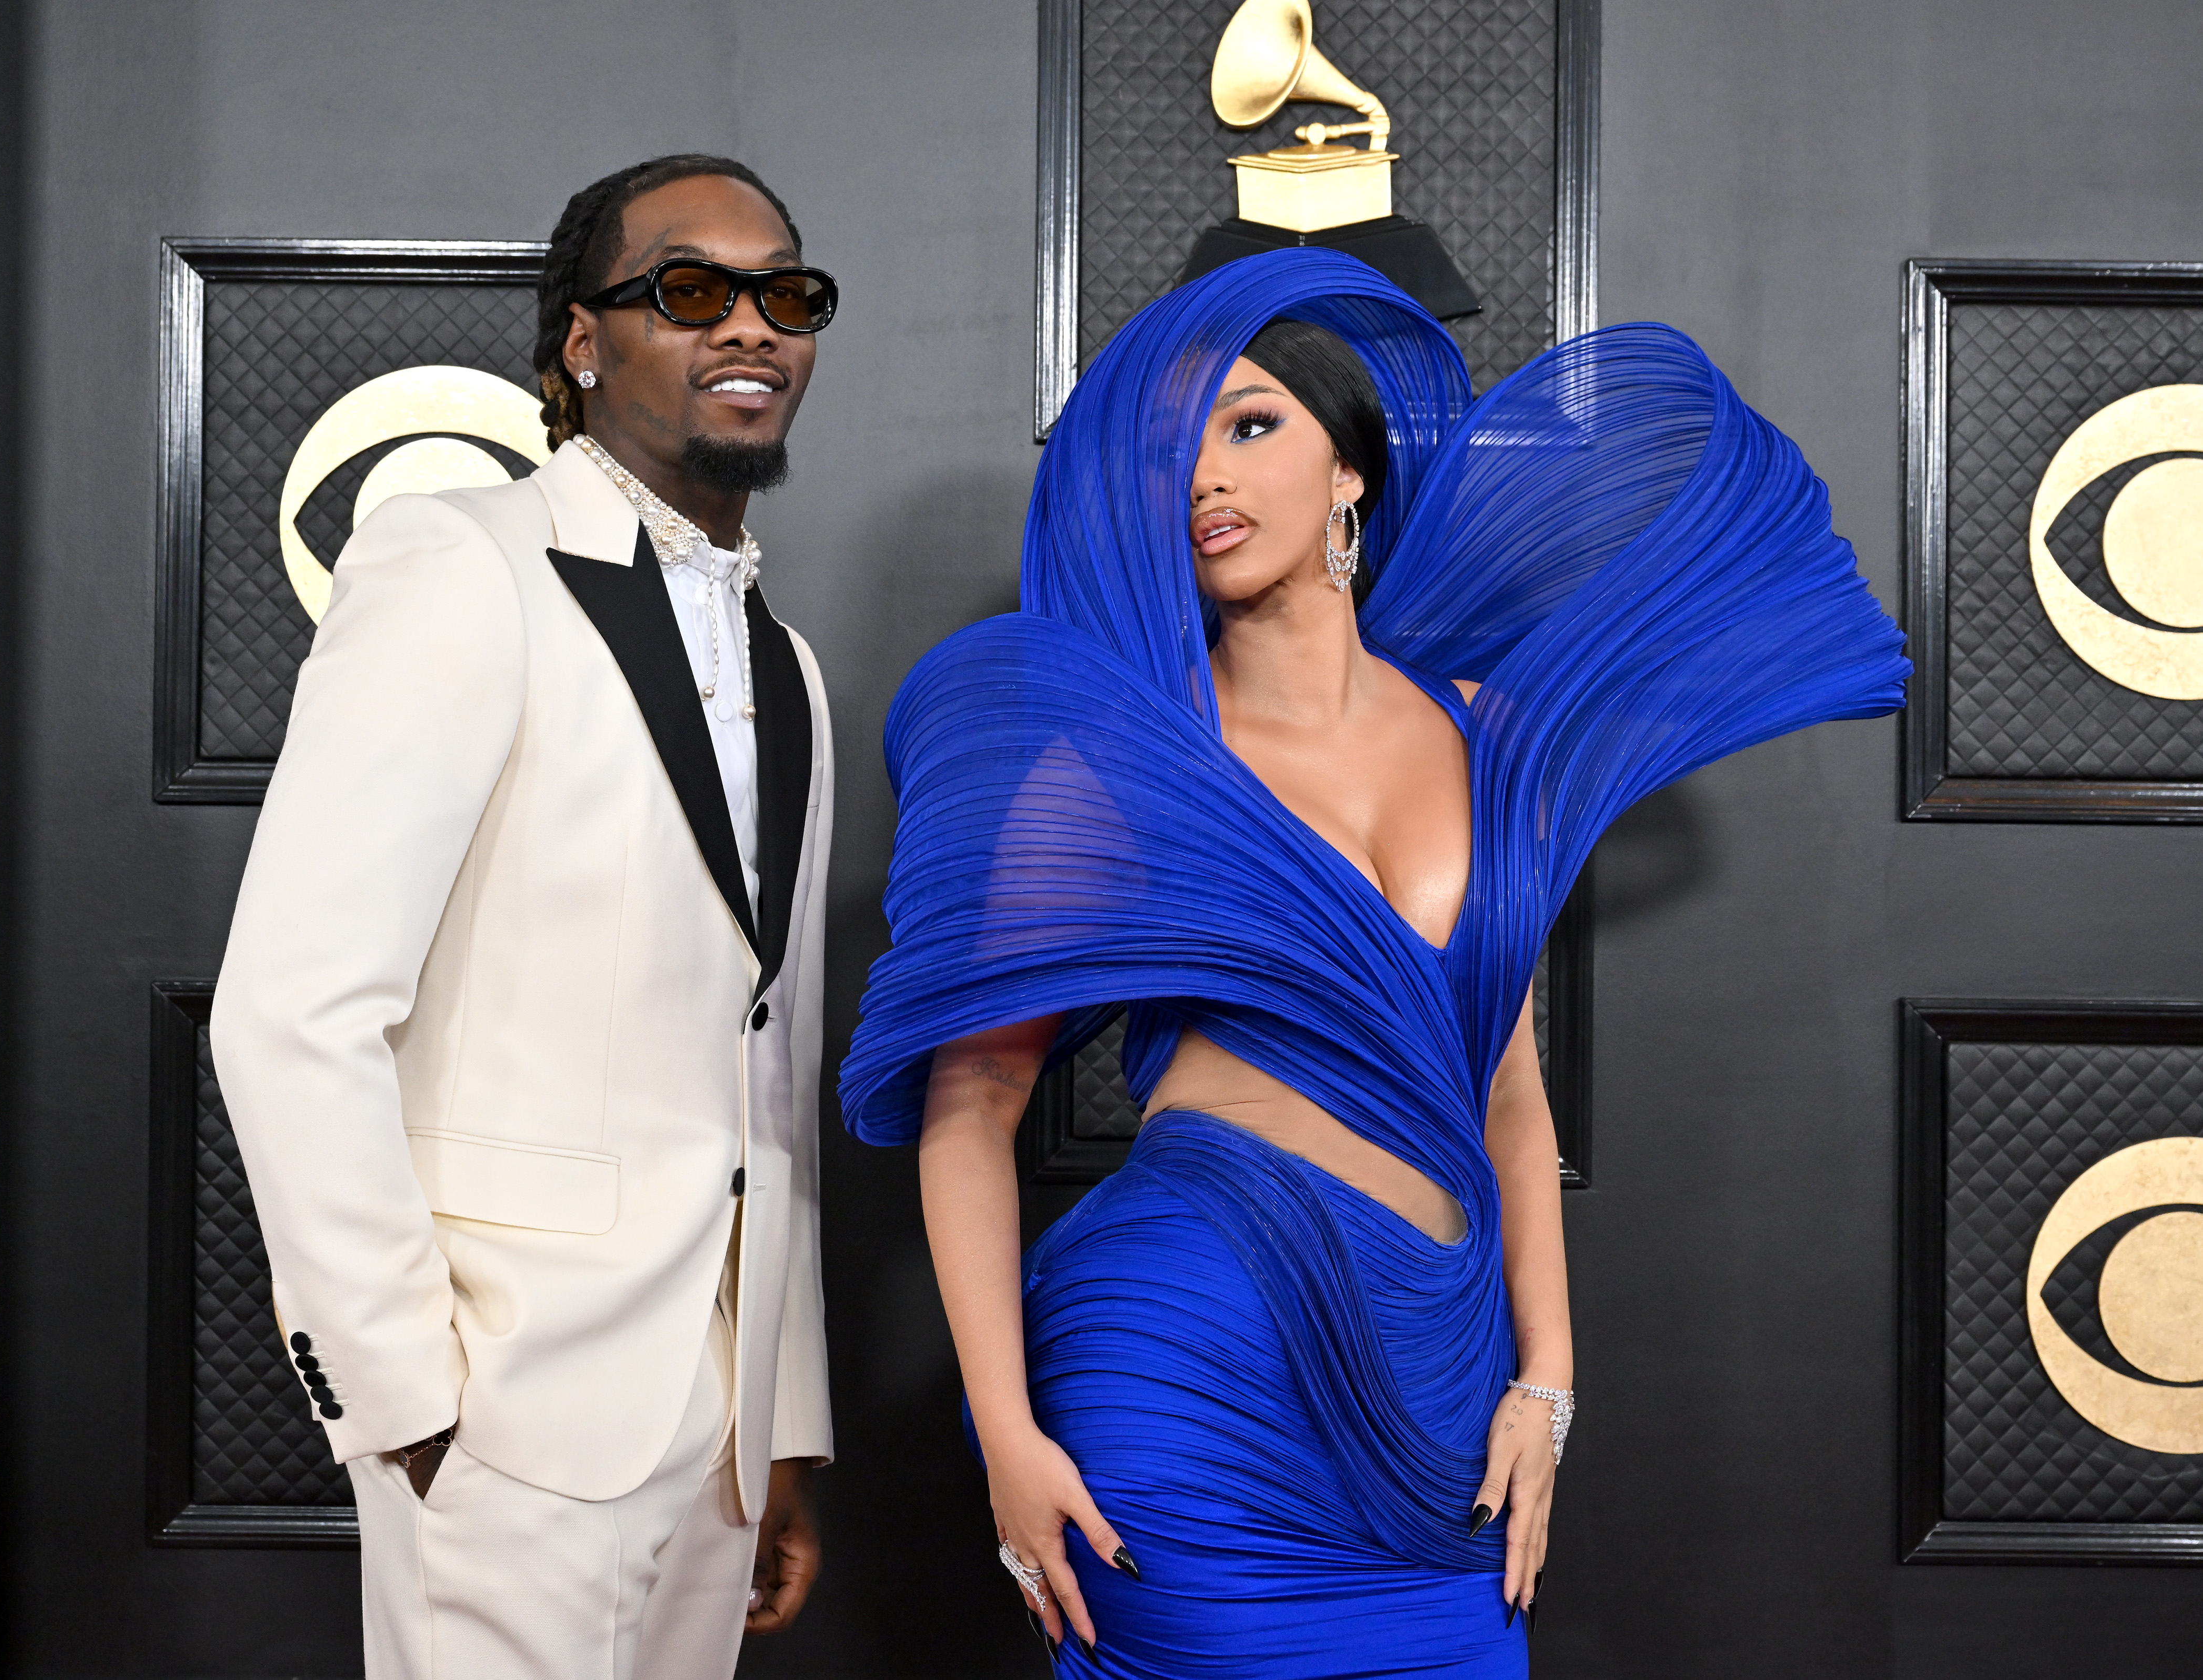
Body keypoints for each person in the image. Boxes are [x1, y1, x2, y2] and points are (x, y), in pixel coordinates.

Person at [840, 249, 1909, 1677]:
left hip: (1442, 1378)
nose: (1204, 477)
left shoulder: (1478, 727)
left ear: (1348, 467)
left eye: (1251, 424)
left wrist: (1548, 1378)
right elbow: (970, 1105)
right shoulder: (1118, 762)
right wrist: (1007, 1434)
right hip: (1187, 1355)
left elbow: (1507, 1087)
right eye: (1172, 448)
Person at [212, 154, 839, 1680]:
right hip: (504, 1409)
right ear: (580, 340)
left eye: (785, 294)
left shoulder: (792, 667)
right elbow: (292, 1009)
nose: (748, 326)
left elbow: (769, 1071)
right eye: (690, 291)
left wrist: (786, 1426)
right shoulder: (459, 568)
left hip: (716, 1432)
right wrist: (406, 1405)